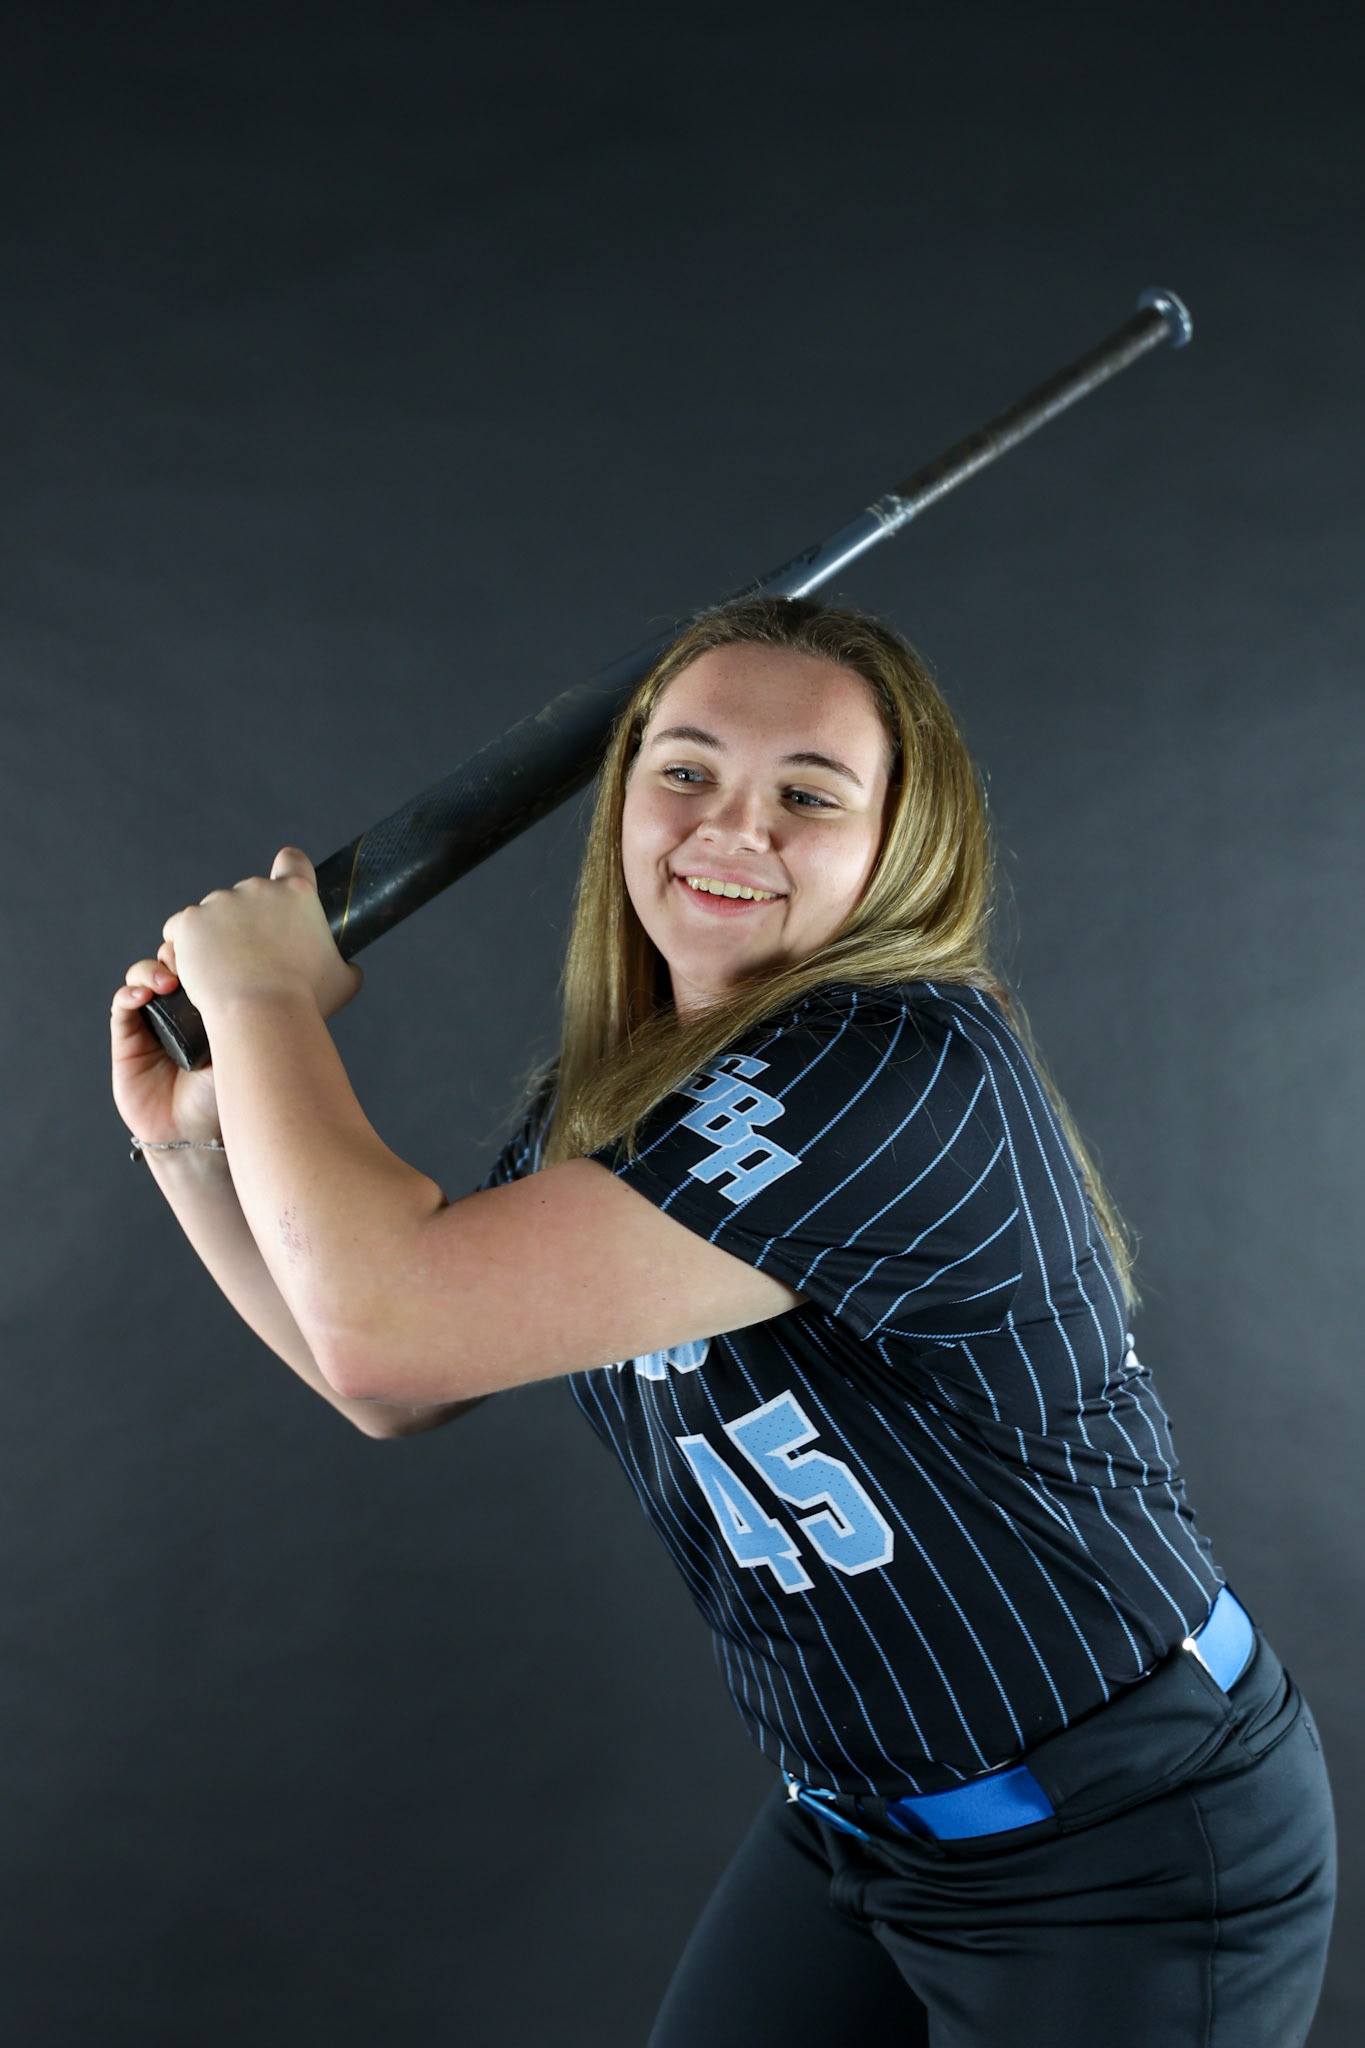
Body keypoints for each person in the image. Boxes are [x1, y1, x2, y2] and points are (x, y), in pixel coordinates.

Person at [111, 597, 1336, 2045]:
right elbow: (380, 1379)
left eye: (805, 795)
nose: (727, 828)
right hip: (863, 1828)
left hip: (1121, 1849)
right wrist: (195, 1144)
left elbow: (394, 1324)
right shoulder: (619, 1103)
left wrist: (265, 1006)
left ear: (897, 846)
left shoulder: (895, 1063)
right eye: (681, 770)